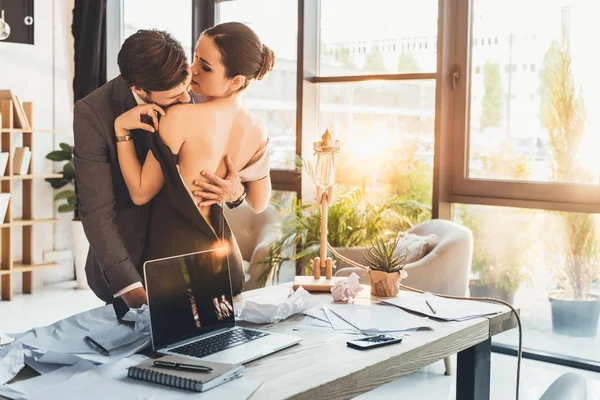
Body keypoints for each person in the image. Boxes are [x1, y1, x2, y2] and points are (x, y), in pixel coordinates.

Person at [73, 30, 247, 313]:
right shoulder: (92, 112)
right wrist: (132, 290)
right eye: (175, 96)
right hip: (132, 267)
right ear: (140, 90)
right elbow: (96, 211)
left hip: (199, 265)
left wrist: (235, 192)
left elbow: (236, 171)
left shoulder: (199, 93)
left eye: (186, 87)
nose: (186, 100)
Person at [114, 22, 274, 301]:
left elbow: (141, 192)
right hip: (224, 261)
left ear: (236, 81)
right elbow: (259, 203)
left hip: (174, 261)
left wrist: (121, 131)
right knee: (218, 342)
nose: (192, 70)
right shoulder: (257, 128)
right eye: (196, 57)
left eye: (207, 67)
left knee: (167, 345)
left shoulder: (181, 117)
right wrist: (235, 191)